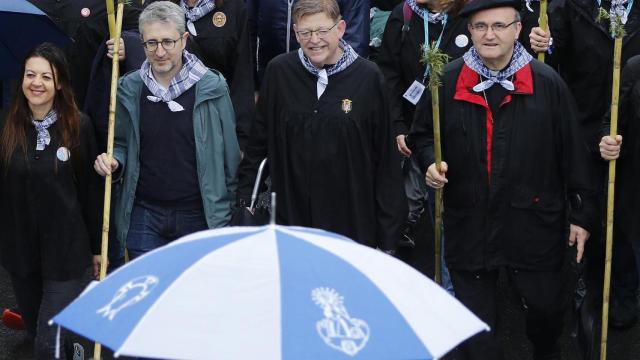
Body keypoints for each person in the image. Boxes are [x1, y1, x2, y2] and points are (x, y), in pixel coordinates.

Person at [410, 0, 597, 358]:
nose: (489, 34)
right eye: (480, 27)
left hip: (533, 221)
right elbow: (423, 136)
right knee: (474, 327)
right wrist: (431, 163)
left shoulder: (547, 84)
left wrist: (581, 215)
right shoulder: (447, 79)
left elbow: (573, 153)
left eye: (499, 25)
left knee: (544, 311)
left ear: (517, 30)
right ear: (469, 31)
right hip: (470, 221)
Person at [238, 0, 406, 251]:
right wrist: (246, 207)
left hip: (352, 224)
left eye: (322, 31)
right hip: (291, 221)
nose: (314, 40)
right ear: (295, 33)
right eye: (305, 33)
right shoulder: (279, 73)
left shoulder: (369, 78)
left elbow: (385, 163)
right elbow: (257, 151)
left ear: (340, 28)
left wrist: (388, 235)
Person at [94, 1, 241, 259]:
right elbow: (120, 143)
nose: (159, 51)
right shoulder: (130, 87)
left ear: (183, 40)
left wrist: (225, 209)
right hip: (144, 214)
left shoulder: (212, 87)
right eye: (151, 43)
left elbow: (229, 155)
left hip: (198, 214)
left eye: (167, 42)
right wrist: (113, 160)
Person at [529, 0, 640, 340]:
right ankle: (588, 289)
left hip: (633, 127)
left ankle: (624, 289)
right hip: (585, 123)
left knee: (624, 212)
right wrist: (545, 43)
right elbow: (555, 52)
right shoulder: (576, 5)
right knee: (587, 209)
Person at [0, 42, 101, 359]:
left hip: (66, 254)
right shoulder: (7, 123)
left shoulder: (79, 126)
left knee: (47, 342)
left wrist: (98, 247)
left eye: (46, 76)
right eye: (30, 75)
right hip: (20, 252)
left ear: (59, 83)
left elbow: (90, 190)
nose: (36, 83)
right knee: (36, 331)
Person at [376, 0, 469, 279]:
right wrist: (396, 125)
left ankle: (450, 285)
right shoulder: (403, 15)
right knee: (408, 210)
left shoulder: (471, 16)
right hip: (409, 133)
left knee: (450, 218)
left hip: (456, 135)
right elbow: (388, 74)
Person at [179, 0, 255, 150]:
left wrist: (242, 139)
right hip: (178, 123)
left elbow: (243, 76)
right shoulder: (163, 8)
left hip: (219, 121)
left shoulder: (234, 8)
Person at [248, 0, 371, 89]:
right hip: (273, 80)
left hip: (328, 85)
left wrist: (336, 88)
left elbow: (355, 41)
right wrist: (254, 86)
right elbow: (249, 30)